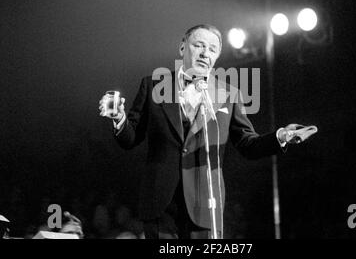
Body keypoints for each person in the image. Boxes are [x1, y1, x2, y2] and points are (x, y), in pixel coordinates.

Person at [98, 24, 316, 239]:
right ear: (183, 48)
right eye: (199, 45)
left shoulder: (229, 94)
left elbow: (248, 144)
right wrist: (119, 118)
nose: (205, 53)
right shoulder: (153, 85)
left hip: (206, 202)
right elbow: (131, 138)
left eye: (212, 49)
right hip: (160, 203)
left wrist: (281, 137)